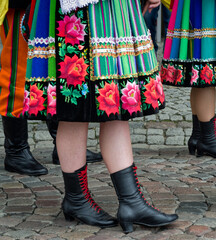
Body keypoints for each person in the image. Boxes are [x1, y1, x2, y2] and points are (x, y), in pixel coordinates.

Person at [24, 0, 178, 232]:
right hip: (73, 10)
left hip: (112, 8)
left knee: (114, 100)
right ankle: (76, 199)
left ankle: (131, 201)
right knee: (73, 102)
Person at [0, 2, 102, 177]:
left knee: (53, 69)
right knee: (17, 70)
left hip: (49, 4)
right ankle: (16, 149)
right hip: (19, 5)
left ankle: (61, 143)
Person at [161, 0, 216, 158]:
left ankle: (199, 135)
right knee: (205, 69)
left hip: (197, 6)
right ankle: (207, 140)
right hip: (207, 7)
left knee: (201, 68)